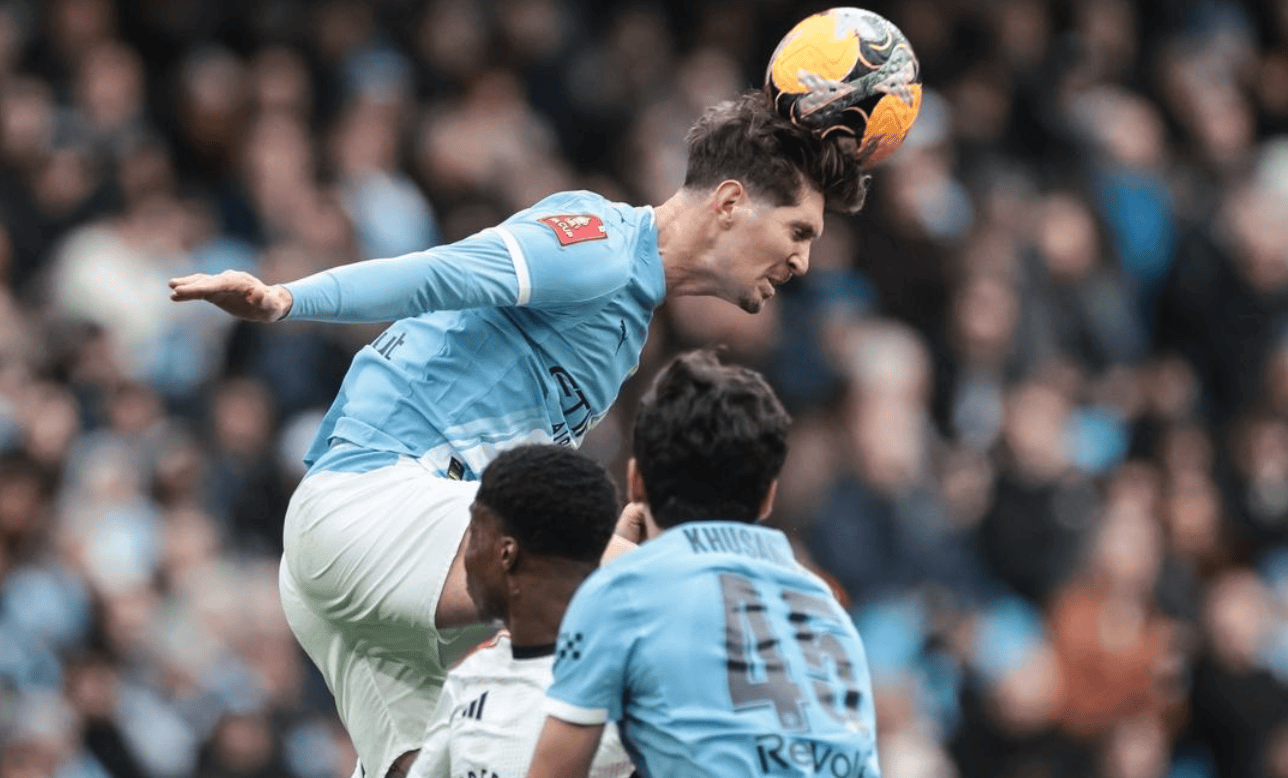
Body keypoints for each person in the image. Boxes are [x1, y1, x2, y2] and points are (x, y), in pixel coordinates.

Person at [168, 90, 870, 778]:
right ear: (730, 202)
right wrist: (288, 299)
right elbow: (440, 274)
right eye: (799, 232)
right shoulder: (600, 244)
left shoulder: (629, 322)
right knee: (628, 624)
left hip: (387, 569)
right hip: (374, 504)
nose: (803, 262)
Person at [524, 350, 881, 778]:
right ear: (768, 498)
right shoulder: (828, 611)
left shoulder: (621, 592)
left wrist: (603, 570)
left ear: (636, 482)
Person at [408, 443, 633, 778]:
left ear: (506, 553)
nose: (467, 557)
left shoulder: (628, 693)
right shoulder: (470, 675)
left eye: (474, 534)